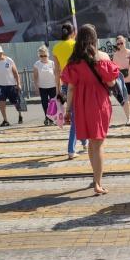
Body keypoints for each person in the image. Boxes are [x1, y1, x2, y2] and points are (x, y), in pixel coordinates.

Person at [61, 24, 120, 195]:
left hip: (81, 104)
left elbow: (70, 88)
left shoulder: (74, 61)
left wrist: (67, 110)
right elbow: (111, 83)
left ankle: (95, 177)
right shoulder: (102, 57)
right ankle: (98, 183)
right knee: (99, 143)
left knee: (91, 144)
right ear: (94, 38)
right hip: (99, 103)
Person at [53, 22, 88, 158]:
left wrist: (58, 89)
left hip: (65, 83)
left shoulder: (56, 48)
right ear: (73, 33)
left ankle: (84, 142)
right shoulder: (76, 45)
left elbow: (56, 71)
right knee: (76, 116)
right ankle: (71, 150)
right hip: (79, 84)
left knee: (76, 114)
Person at [0, 45, 23, 126]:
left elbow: (15, 73)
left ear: (2, 52)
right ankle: (5, 120)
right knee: (1, 103)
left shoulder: (9, 60)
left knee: (15, 102)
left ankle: (20, 114)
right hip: (0, 86)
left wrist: (18, 84)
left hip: (11, 85)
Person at [113, 35, 130, 125]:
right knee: (125, 100)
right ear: (116, 45)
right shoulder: (115, 55)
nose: (120, 45)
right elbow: (114, 69)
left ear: (125, 42)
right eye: (118, 44)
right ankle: (128, 118)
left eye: (121, 43)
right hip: (121, 81)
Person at [33, 45, 57, 126]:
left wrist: (58, 85)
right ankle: (47, 117)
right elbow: (35, 77)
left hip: (52, 86)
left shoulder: (52, 63)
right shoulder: (37, 64)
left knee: (53, 103)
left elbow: (56, 74)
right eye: (41, 55)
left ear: (48, 55)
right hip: (42, 87)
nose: (43, 57)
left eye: (45, 55)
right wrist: (36, 87)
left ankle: (51, 118)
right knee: (44, 103)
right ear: (39, 56)